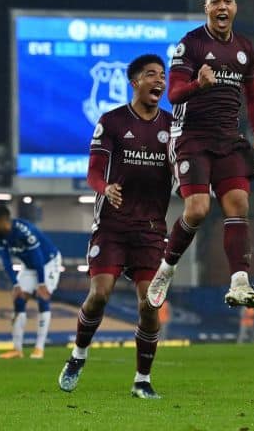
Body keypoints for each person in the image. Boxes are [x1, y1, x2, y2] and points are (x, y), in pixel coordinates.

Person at [146, 0, 254, 311]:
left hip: (228, 138)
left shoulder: (245, 48)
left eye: (227, 1)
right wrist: (197, 84)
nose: (222, 7)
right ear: (206, 8)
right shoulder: (190, 44)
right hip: (191, 136)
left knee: (238, 202)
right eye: (215, 1)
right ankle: (167, 267)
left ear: (235, 7)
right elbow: (172, 95)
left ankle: (239, 282)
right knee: (198, 209)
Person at [58, 54, 172, 399]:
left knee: (150, 305)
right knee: (99, 296)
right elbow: (94, 170)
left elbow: (186, 167)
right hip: (112, 223)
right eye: (151, 75)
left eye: (163, 76)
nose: (160, 81)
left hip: (151, 228)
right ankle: (78, 355)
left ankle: (142, 380)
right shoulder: (111, 121)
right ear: (134, 81)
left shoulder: (173, 126)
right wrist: (104, 188)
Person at [0, 205, 62, 360]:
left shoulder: (24, 230)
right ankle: (17, 349)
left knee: (43, 298)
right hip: (28, 267)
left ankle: (39, 348)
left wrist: (41, 284)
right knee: (19, 299)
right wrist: (16, 284)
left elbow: (38, 257)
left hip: (48, 263)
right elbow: (6, 261)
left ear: (3, 221)